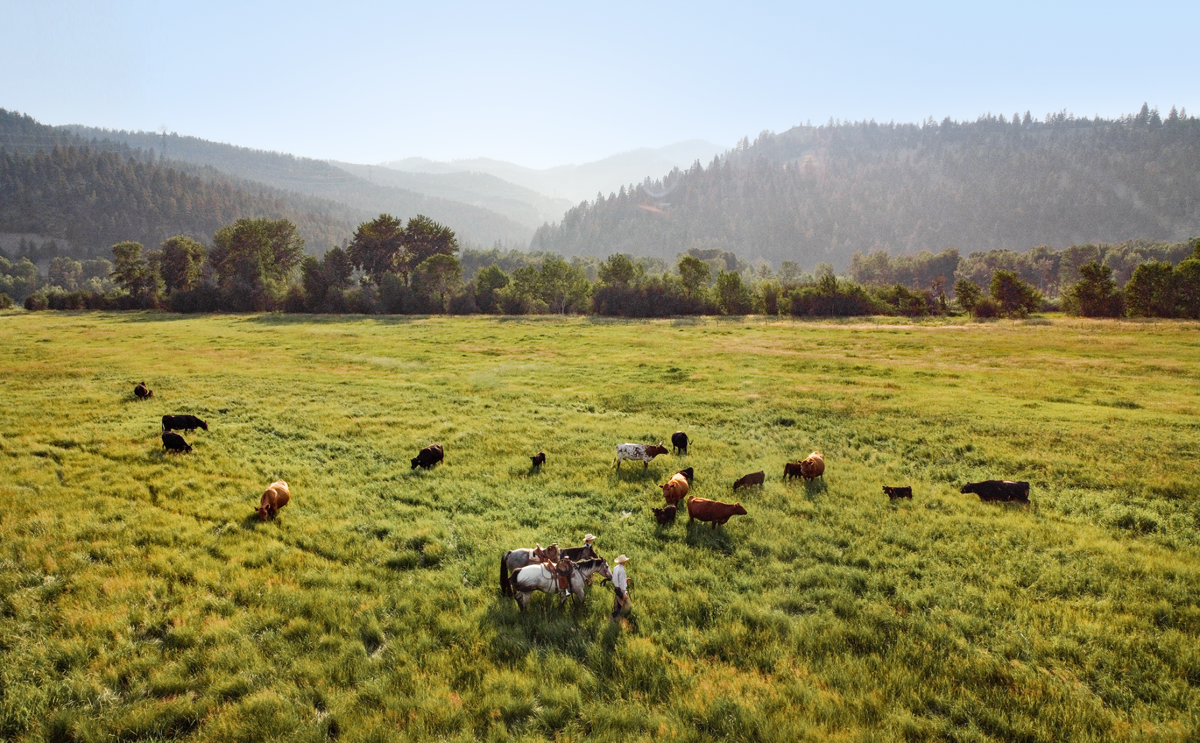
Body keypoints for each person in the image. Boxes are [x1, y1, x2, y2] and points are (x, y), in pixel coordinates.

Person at [611, 554, 631, 620]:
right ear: (623, 562)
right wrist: (623, 593)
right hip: (621, 590)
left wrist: (625, 580)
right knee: (624, 604)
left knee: (617, 604)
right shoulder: (622, 570)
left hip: (616, 588)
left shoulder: (615, 568)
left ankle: (615, 616)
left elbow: (615, 579)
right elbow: (622, 583)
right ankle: (617, 617)